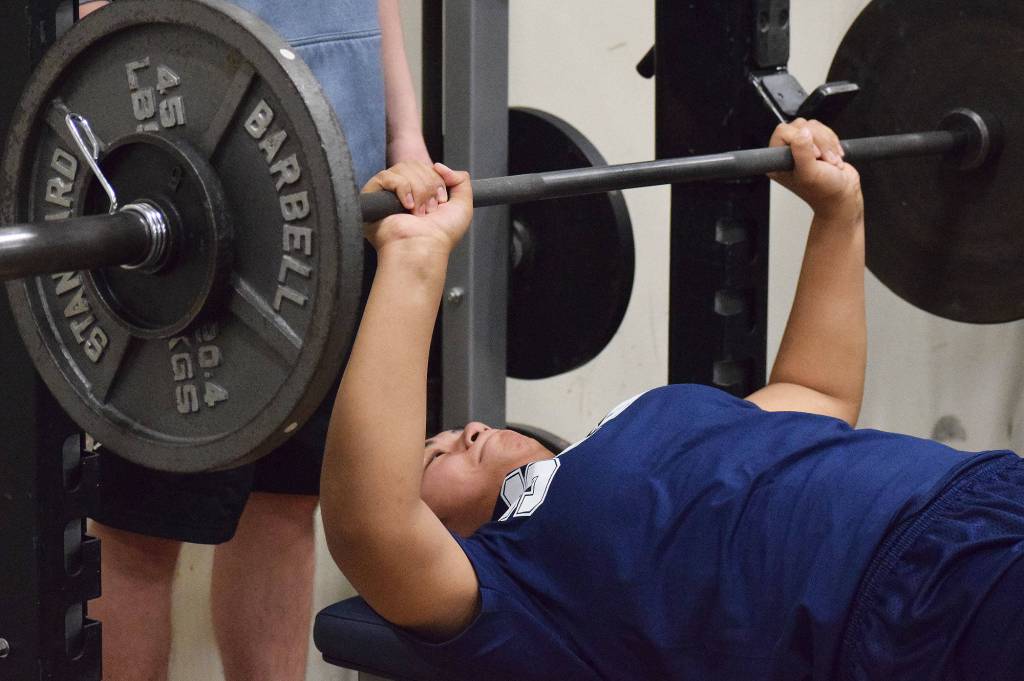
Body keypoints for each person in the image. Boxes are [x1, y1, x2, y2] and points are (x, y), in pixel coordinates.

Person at [322, 118, 1024, 681]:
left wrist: (839, 210)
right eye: (430, 454)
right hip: (911, 603)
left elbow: (817, 394)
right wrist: (414, 254)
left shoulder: (635, 427)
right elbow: (371, 525)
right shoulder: (513, 586)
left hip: (980, 489)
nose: (463, 430)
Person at [77, 1, 444, 680]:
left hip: (335, 203)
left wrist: (407, 139)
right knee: (139, 534)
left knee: (284, 506)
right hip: (190, 214)